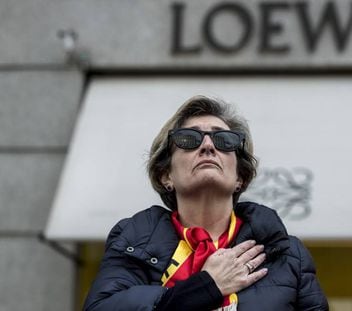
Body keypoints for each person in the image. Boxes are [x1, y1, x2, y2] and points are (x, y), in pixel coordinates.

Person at [83, 95, 329, 311]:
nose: (208, 146)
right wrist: (207, 286)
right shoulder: (134, 239)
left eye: (224, 140)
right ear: (166, 175)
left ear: (240, 178)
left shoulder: (287, 253)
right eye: (189, 139)